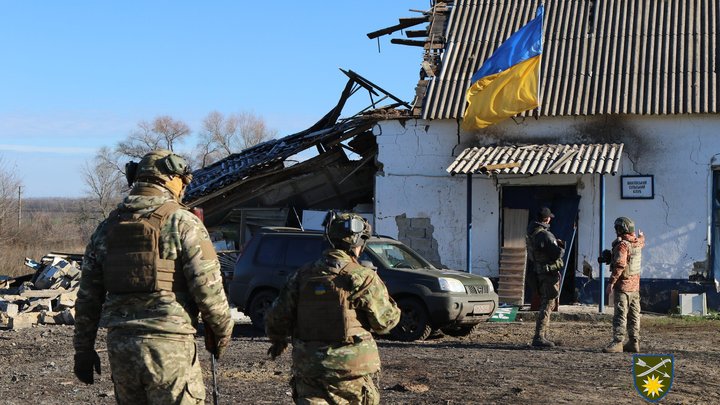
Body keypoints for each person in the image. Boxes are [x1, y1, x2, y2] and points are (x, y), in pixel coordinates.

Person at [73, 149, 233, 404]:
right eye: (183, 180)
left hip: (122, 349)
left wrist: (83, 349)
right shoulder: (182, 222)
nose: (184, 188)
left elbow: (87, 298)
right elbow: (208, 288)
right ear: (170, 178)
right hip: (169, 347)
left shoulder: (107, 227)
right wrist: (222, 333)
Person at [265, 211, 401, 404]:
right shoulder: (363, 277)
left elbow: (276, 319)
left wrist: (278, 341)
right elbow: (384, 323)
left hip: (310, 371)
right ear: (359, 244)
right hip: (352, 373)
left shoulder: (301, 276)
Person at [603, 216, 645, 353]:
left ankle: (618, 342)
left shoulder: (623, 245)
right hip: (635, 287)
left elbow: (620, 266)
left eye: (617, 228)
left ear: (622, 229)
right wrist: (640, 236)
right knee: (634, 315)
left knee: (620, 315)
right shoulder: (637, 242)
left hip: (623, 287)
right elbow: (642, 241)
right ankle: (634, 342)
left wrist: (611, 283)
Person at [526, 206, 565, 348]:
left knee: (547, 302)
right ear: (546, 219)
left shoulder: (531, 233)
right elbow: (556, 254)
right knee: (548, 303)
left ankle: (544, 335)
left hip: (537, 271)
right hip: (548, 273)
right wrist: (561, 247)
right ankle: (539, 336)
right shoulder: (546, 235)